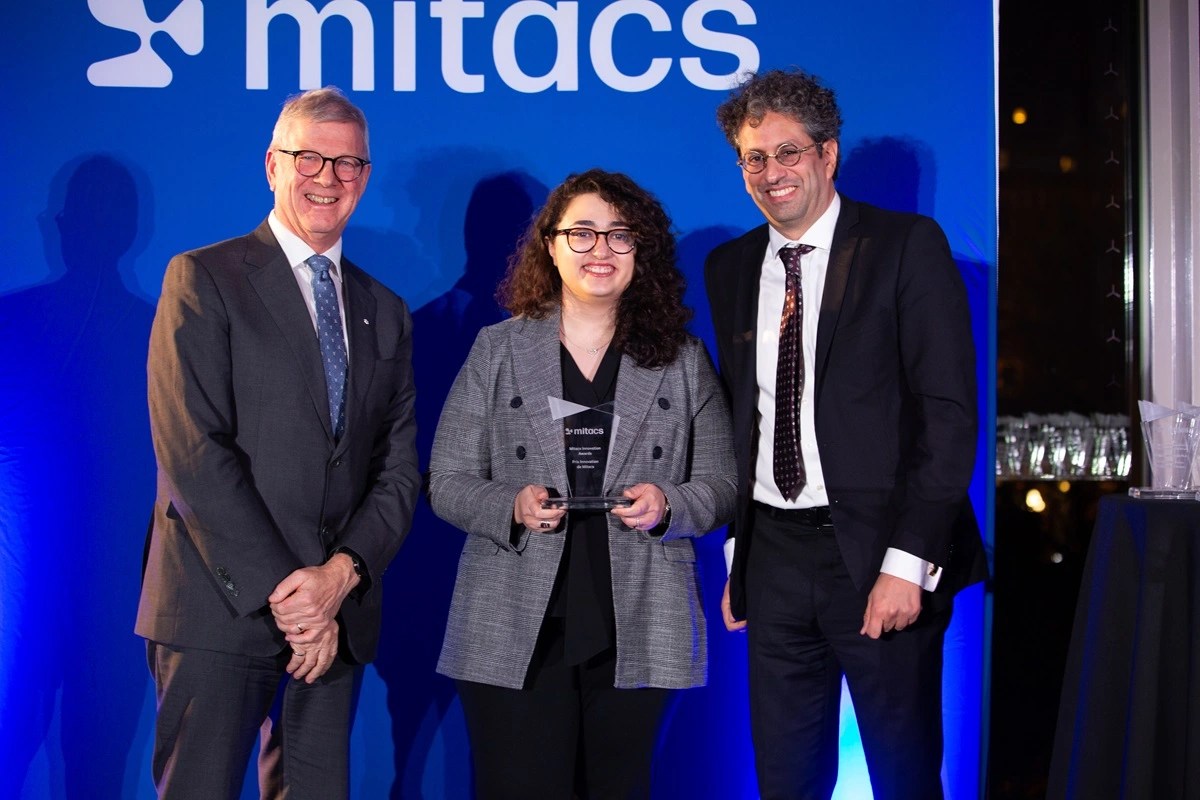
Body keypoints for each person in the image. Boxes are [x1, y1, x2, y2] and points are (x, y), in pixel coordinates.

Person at [704, 69, 989, 800]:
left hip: (878, 556)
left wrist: (909, 561)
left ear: (828, 155)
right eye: (753, 158)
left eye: (787, 153)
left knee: (900, 775)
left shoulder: (906, 247)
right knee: (785, 783)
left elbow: (948, 414)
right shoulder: (729, 267)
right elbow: (740, 414)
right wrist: (740, 547)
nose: (771, 174)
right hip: (772, 557)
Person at [137, 86, 420, 799]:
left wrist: (339, 579)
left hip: (333, 623)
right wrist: (289, 598)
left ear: (366, 174)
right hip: (219, 611)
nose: (329, 178)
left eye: (349, 163)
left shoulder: (385, 311)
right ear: (272, 164)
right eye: (310, 158)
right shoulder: (203, 279)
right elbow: (195, 452)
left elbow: (397, 473)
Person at [429, 168, 737, 799]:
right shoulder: (498, 349)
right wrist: (510, 504)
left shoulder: (683, 359)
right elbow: (447, 479)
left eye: (619, 235)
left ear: (641, 251)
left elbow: (723, 482)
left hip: (639, 619)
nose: (601, 249)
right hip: (513, 619)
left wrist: (668, 503)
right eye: (583, 233)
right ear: (550, 244)